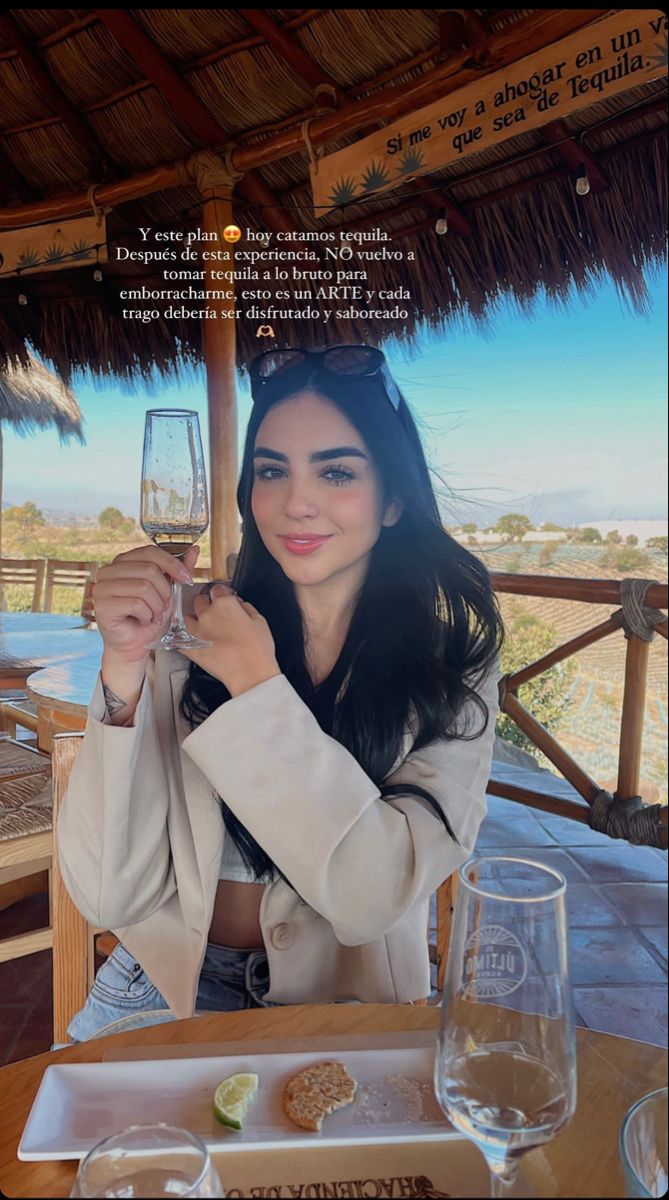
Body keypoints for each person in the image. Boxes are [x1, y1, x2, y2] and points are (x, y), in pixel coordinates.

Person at [57, 344, 504, 1041]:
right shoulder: (191, 631)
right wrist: (122, 670)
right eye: (272, 471)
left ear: (391, 500)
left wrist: (257, 686)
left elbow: (372, 895)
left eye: (335, 471)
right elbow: (112, 893)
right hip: (162, 987)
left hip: (345, 1002)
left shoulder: (452, 661)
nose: (297, 503)